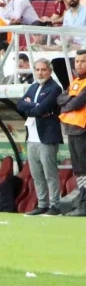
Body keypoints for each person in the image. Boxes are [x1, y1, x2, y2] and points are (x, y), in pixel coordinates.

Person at [17, 59, 63, 216]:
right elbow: (20, 105)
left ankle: (55, 206)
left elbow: (43, 108)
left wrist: (32, 106)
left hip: (47, 136)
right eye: (37, 70)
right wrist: (34, 105)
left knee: (50, 173)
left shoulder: (54, 88)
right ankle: (42, 204)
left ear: (50, 71)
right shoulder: (33, 87)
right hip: (32, 137)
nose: (40, 73)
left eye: (43, 70)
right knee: (36, 174)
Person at [58, 50, 86, 216]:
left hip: (83, 130)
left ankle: (84, 204)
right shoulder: (75, 81)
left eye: (83, 61)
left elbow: (77, 103)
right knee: (79, 170)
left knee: (84, 168)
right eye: (77, 61)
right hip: (72, 130)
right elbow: (60, 99)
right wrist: (70, 99)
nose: (79, 64)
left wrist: (68, 103)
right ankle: (82, 201)